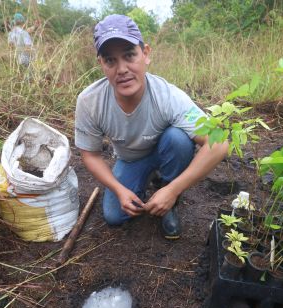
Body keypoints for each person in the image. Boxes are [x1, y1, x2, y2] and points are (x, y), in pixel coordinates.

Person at [75, 14, 228, 239]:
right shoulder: (90, 101)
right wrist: (120, 190)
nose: (122, 69)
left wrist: (172, 190)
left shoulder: (168, 96)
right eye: (110, 60)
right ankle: (147, 179)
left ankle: (168, 193)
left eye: (129, 55)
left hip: (167, 149)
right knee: (114, 216)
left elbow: (219, 143)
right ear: (101, 64)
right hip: (130, 159)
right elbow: (90, 155)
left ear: (145, 54)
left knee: (178, 139)